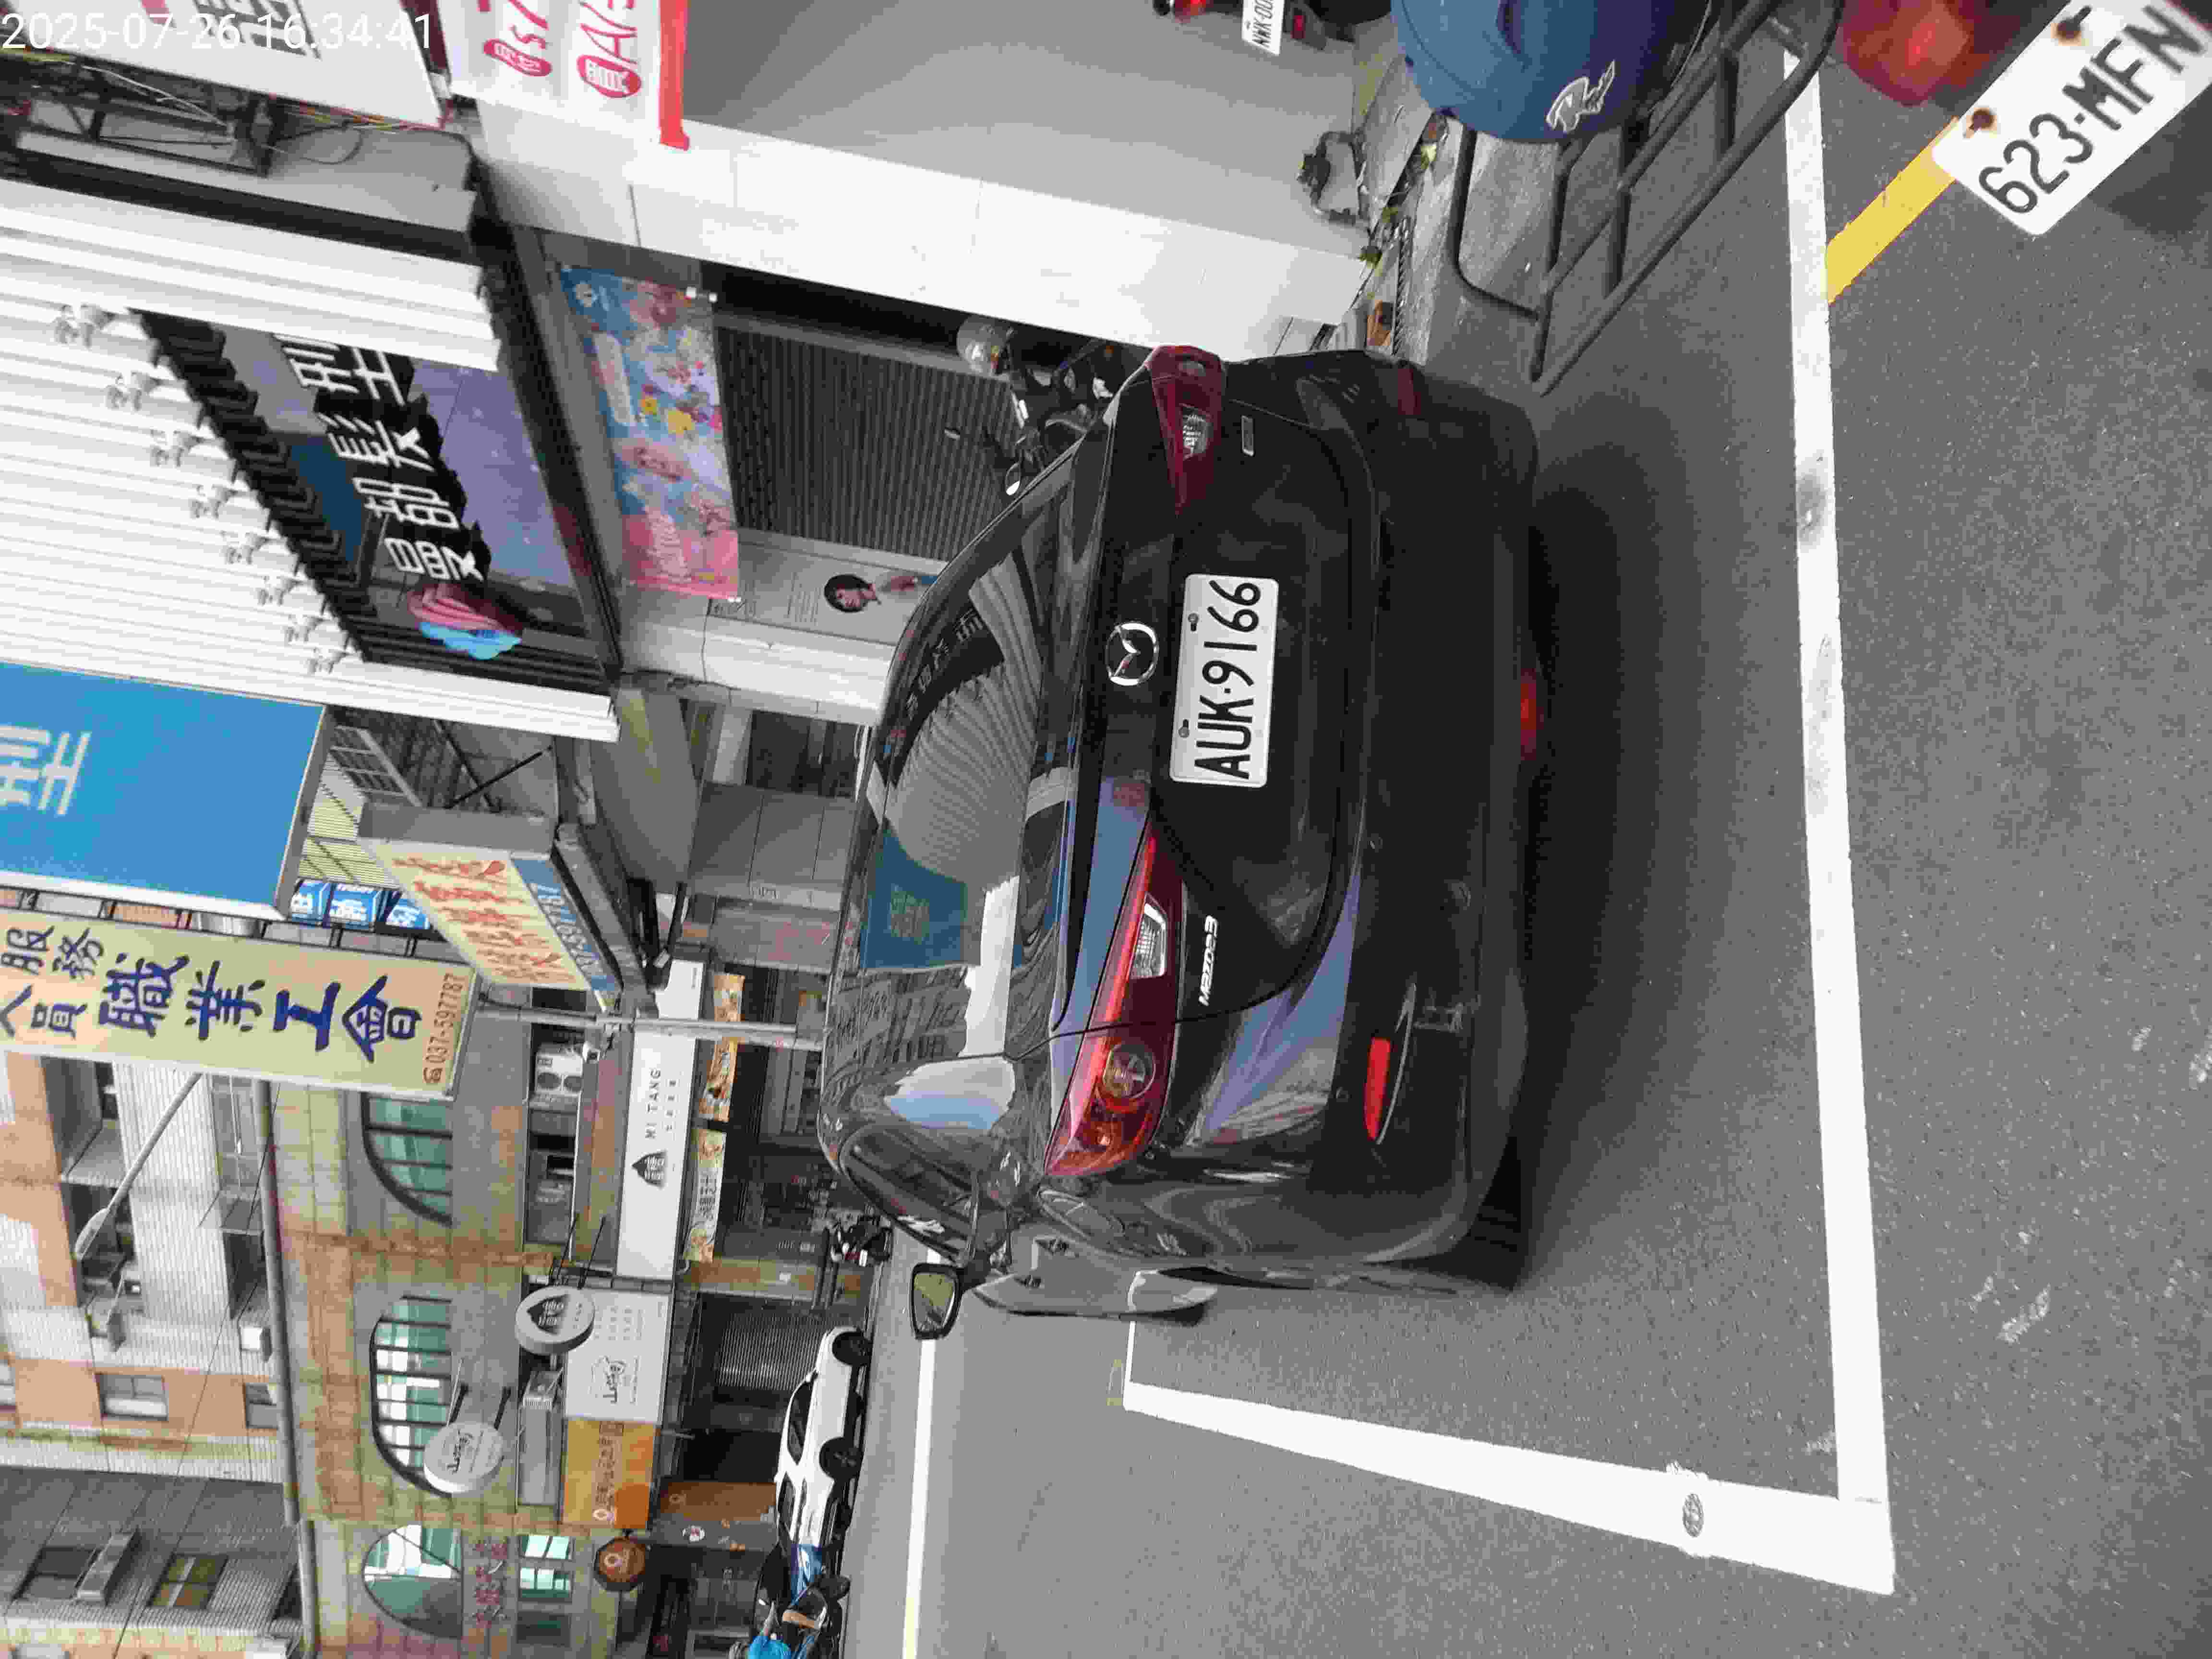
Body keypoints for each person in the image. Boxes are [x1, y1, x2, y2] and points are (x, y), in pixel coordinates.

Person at [740, 1573, 851, 1659]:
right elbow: (768, 1625)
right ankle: (818, 1625)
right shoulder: (753, 1650)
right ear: (743, 1649)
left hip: (789, 1653)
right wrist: (773, 1608)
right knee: (788, 1616)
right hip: (787, 1650)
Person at [823, 571, 934, 613]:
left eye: (841, 596)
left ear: (848, 584)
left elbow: (920, 579)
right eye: (841, 605)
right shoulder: (883, 603)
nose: (845, 604)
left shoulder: (881, 584)